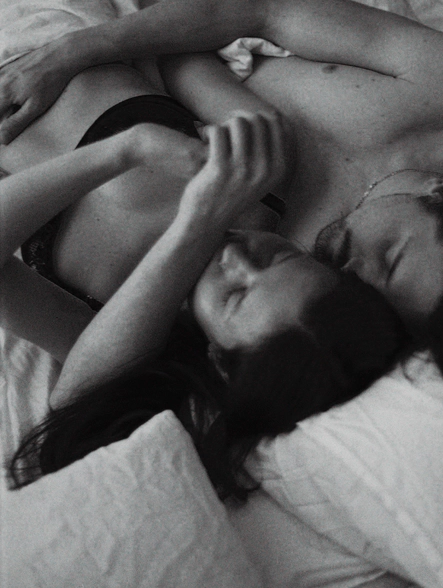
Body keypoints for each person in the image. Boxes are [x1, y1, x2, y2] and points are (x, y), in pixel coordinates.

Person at [1, 0, 443, 394]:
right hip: (91, 44)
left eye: (375, 295)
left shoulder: (291, 276)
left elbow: (90, 369)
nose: (353, 271)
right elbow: (264, 9)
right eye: (390, 258)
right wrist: (80, 45)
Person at [3, 110, 408, 495]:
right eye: (278, 256)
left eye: (235, 296)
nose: (235, 257)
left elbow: (72, 400)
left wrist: (130, 149)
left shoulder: (117, 336)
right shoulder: (260, 176)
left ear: (219, 360)